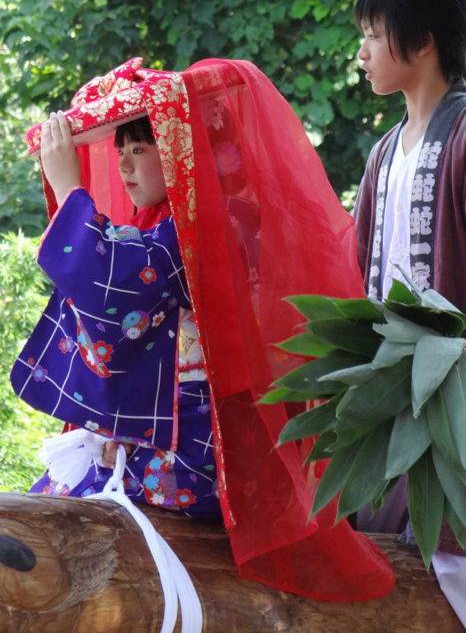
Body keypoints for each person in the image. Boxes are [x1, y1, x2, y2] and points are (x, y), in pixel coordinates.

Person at [11, 57, 395, 601]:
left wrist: (72, 191)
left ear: (180, 151)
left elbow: (106, 280)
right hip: (204, 437)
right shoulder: (208, 221)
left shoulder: (199, 233)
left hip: (206, 454)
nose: (123, 164)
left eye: (141, 149)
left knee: (62, 515)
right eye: (120, 149)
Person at [353, 0, 466, 623]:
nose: (362, 52)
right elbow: (355, 270)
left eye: (372, 34)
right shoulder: (384, 152)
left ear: (421, 42)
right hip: (397, 407)